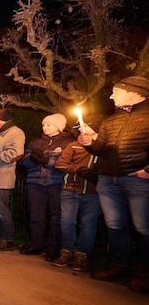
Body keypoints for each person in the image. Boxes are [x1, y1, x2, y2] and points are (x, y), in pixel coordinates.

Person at [77, 75, 149, 293]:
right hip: (108, 179)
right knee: (115, 224)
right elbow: (101, 150)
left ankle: (144, 273)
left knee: (143, 227)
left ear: (135, 93)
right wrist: (90, 143)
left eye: (116, 91)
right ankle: (118, 266)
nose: (110, 96)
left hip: (138, 179)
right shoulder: (111, 121)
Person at [20, 113, 74, 261]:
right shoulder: (35, 142)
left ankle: (54, 248)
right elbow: (24, 164)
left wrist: (47, 160)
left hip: (56, 183)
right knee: (36, 216)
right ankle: (36, 244)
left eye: (49, 125)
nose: (45, 127)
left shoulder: (68, 143)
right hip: (35, 183)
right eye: (44, 124)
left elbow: (66, 164)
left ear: (59, 127)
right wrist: (32, 159)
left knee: (56, 217)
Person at [53, 114, 104, 271]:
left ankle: (81, 255)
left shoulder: (103, 148)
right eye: (80, 126)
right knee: (67, 221)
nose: (81, 129)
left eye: (85, 126)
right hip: (70, 189)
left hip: (93, 191)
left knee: (88, 224)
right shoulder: (74, 145)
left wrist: (98, 173)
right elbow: (60, 163)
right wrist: (78, 169)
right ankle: (66, 252)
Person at [0, 108, 26, 251]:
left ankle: (7, 239)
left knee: (0, 210)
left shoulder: (15, 133)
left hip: (2, 176)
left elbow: (17, 153)